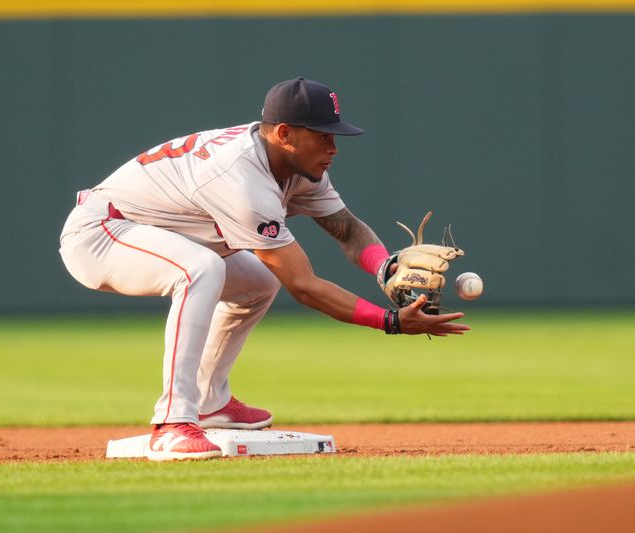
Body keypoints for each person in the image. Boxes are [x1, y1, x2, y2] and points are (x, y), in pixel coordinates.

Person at [59, 77, 470, 461]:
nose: (334, 147)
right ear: (285, 134)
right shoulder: (241, 180)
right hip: (102, 233)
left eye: (335, 135)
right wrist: (391, 321)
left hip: (152, 230)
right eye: (323, 136)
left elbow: (345, 228)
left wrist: (386, 267)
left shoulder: (296, 164)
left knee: (256, 281)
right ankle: (172, 421)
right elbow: (304, 285)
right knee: (198, 269)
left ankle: (210, 402)